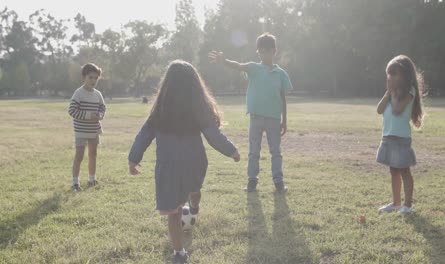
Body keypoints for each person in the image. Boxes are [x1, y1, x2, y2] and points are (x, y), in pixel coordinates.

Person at [128, 60, 240, 264]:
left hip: (172, 166)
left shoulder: (168, 110)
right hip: (193, 164)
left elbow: (143, 135)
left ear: (167, 85)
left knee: (175, 210)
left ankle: (181, 246)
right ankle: (183, 240)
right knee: (186, 197)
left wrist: (133, 159)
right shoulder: (178, 109)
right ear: (195, 85)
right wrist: (232, 151)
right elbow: (214, 135)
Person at [209, 33, 293, 193]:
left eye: (267, 51)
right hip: (255, 117)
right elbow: (238, 65)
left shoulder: (280, 73)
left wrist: (285, 120)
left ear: (274, 51)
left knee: (276, 151)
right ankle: (252, 182)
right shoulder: (254, 68)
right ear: (258, 52)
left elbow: (283, 98)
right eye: (261, 51)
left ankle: (279, 182)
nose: (264, 54)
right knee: (254, 151)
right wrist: (223, 61)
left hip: (274, 119)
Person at [376, 55, 425, 215]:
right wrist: (388, 93)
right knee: (393, 171)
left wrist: (393, 93)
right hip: (388, 137)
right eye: (388, 74)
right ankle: (396, 203)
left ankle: (408, 205)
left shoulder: (409, 92)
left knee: (404, 170)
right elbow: (379, 109)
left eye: (393, 74)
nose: (390, 77)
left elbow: (397, 110)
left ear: (404, 75)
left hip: (401, 139)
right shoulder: (391, 93)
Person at [68, 63, 106, 191]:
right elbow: (72, 111)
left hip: (94, 130)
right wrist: (89, 115)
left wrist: (100, 115)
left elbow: (102, 107)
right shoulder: (78, 93)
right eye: (90, 77)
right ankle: (75, 183)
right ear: (84, 77)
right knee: (79, 155)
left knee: (93, 154)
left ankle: (91, 179)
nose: (93, 80)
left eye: (96, 78)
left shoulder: (98, 94)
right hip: (81, 131)